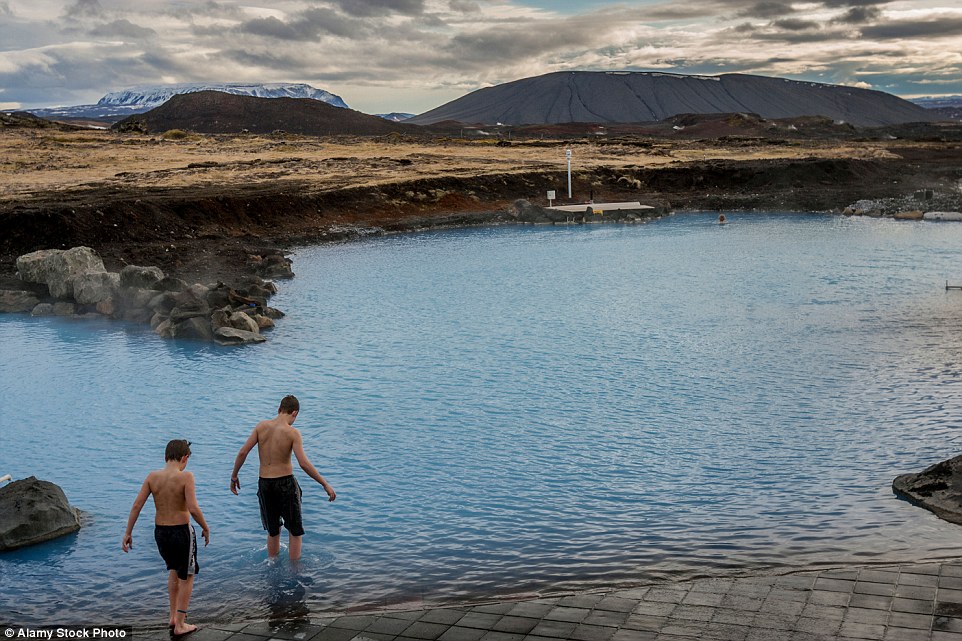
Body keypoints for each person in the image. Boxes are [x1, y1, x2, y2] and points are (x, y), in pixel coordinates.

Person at [230, 395, 336, 562]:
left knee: (273, 530)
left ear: (279, 410)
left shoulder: (261, 427)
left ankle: (272, 561)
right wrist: (325, 484)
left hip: (265, 484)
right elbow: (304, 464)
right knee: (294, 530)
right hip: (285, 484)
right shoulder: (292, 433)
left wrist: (234, 476)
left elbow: (243, 452)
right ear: (294, 413)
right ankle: (294, 570)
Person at [122, 439, 210, 638]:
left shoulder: (152, 477)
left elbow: (136, 505)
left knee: (173, 569)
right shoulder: (186, 476)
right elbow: (194, 508)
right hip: (181, 532)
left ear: (165, 456)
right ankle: (180, 623)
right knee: (187, 575)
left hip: (160, 533)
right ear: (185, 458)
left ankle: (172, 617)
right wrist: (205, 527)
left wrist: (128, 532)